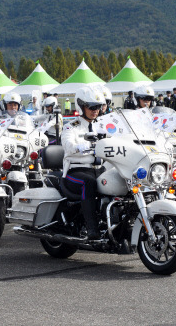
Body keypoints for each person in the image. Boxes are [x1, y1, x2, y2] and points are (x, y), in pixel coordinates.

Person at [61, 87, 106, 240]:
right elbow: (68, 145)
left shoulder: (103, 125)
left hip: (99, 169)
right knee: (89, 182)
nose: (95, 110)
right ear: (81, 106)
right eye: (92, 107)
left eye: (98, 107)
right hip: (75, 171)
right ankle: (92, 228)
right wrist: (82, 146)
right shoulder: (70, 126)